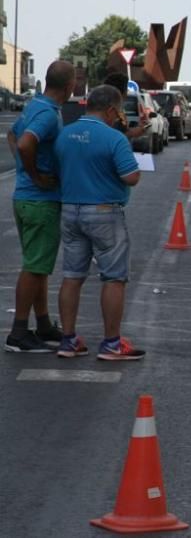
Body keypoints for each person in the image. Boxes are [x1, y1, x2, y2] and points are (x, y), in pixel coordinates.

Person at [53, 85, 144, 361]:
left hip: (70, 211)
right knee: (114, 278)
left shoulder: (65, 134)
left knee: (72, 276)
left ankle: (68, 341)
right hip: (104, 212)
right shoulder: (114, 138)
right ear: (111, 110)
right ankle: (112, 344)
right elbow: (132, 177)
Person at [4, 61, 76, 353]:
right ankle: (18, 332)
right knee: (34, 267)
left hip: (26, 197)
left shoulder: (36, 106)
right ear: (69, 85)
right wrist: (35, 174)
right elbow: (23, 144)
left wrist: (24, 171)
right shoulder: (47, 114)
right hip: (39, 200)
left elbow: (12, 135)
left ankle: (43, 324)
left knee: (40, 265)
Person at [103, 72, 148, 142]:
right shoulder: (110, 112)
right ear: (119, 92)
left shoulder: (119, 111)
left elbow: (123, 131)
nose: (127, 94)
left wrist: (136, 130)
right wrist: (132, 133)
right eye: (126, 90)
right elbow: (113, 138)